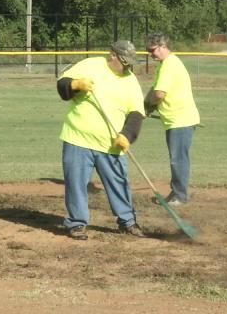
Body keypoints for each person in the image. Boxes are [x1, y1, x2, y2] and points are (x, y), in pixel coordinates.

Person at [56, 40, 146, 240]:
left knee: (119, 183)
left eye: (130, 63)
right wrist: (75, 85)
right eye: (124, 62)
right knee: (76, 183)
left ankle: (128, 221)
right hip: (77, 138)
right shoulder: (90, 65)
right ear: (112, 55)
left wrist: (127, 135)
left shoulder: (130, 81)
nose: (127, 67)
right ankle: (77, 223)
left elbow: (137, 113)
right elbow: (62, 85)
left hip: (111, 144)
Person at [144, 33, 200, 206]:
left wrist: (149, 104)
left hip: (180, 120)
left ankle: (180, 196)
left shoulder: (169, 65)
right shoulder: (166, 64)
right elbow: (155, 88)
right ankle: (176, 192)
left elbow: (159, 94)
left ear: (162, 46)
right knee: (176, 158)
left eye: (152, 50)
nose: (150, 54)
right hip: (175, 120)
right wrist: (146, 105)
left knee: (178, 159)